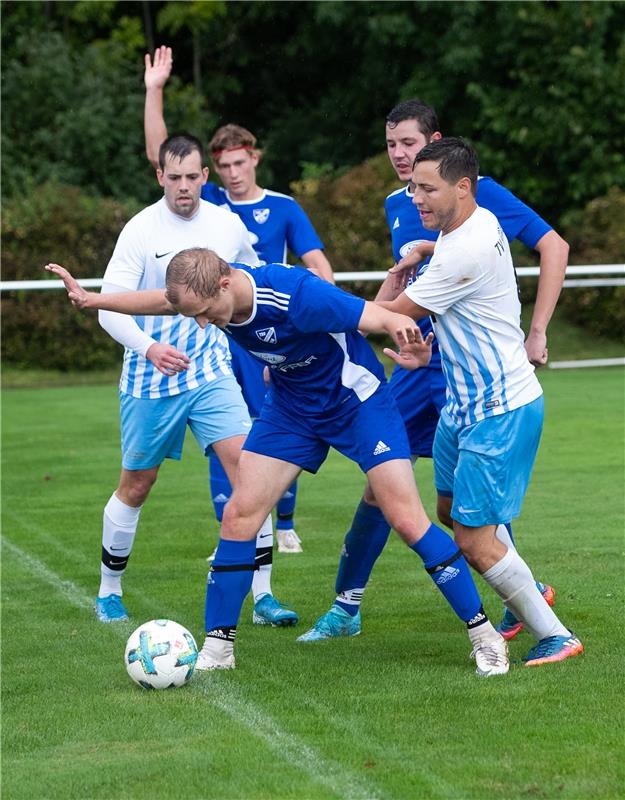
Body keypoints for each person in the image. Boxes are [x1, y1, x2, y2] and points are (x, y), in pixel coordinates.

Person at [47, 251, 511, 678]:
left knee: (407, 520)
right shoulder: (206, 296)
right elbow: (164, 302)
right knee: (239, 515)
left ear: (226, 283)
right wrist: (92, 300)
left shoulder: (295, 293)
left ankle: (484, 636)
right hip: (291, 409)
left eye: (207, 314)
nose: (205, 325)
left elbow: (378, 315)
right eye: (195, 316)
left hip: (357, 401)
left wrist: (407, 337)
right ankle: (218, 648)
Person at [304, 99, 568, 642]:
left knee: (474, 513)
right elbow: (423, 275)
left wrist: (537, 329)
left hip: (482, 381)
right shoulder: (409, 206)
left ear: (438, 151)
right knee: (385, 483)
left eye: (410, 145)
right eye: (391, 145)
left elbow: (551, 246)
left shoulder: (476, 196)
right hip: (424, 368)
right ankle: (346, 605)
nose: (401, 158)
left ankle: (530, 605)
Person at [379, 137, 583, 666]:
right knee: (449, 512)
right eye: (412, 188)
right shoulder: (470, 224)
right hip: (462, 409)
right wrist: (425, 249)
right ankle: (526, 586)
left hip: (500, 409)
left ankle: (555, 633)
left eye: (428, 189)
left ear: (463, 188)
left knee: (472, 537)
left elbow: (394, 315)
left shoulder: (462, 249)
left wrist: (304, 308)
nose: (416, 199)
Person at [90, 132, 297, 628]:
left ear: (205, 177)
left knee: (252, 473)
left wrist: (273, 345)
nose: (184, 187)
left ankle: (263, 597)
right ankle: (109, 589)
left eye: (192, 177)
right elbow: (108, 309)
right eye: (174, 177)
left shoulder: (227, 226)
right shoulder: (140, 231)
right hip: (148, 378)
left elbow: (257, 280)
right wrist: (150, 347)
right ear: (159, 176)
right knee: (137, 484)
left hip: (209, 372)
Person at [144, 45, 336, 553]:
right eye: (222, 165)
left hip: (271, 331)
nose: (231, 173)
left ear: (254, 159)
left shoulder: (284, 207)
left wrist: (331, 310)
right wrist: (154, 91)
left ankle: (285, 522)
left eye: (238, 162)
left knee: (276, 421)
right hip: (220, 336)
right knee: (225, 437)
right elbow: (161, 156)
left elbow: (315, 263)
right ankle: (231, 528)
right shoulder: (210, 206)